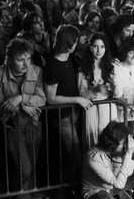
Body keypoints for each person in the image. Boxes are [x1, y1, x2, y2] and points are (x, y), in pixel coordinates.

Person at [0, 38, 46, 192]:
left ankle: (23, 194)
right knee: (24, 168)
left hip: (33, 122)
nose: (26, 64)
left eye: (28, 58)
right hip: (12, 125)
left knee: (30, 166)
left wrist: (20, 99)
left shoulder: (37, 71)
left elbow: (42, 99)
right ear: (9, 59)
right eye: (20, 59)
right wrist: (25, 106)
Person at [43, 24, 92, 185]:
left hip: (71, 113)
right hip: (61, 116)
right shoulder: (53, 65)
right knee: (73, 153)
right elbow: (51, 98)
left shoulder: (68, 58)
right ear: (69, 44)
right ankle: (69, 188)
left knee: (74, 152)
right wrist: (77, 99)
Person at [81, 121, 134, 199]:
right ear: (112, 145)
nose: (127, 145)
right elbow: (119, 184)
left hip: (114, 184)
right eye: (124, 142)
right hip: (97, 190)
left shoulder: (117, 152)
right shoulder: (93, 158)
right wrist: (128, 154)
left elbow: (126, 174)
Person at [78, 33, 117, 153]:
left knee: (110, 140)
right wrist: (95, 89)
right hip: (91, 107)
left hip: (108, 106)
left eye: (102, 46)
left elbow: (116, 90)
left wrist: (113, 89)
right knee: (92, 141)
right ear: (90, 47)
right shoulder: (83, 68)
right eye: (96, 46)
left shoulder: (111, 66)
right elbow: (81, 94)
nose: (99, 50)